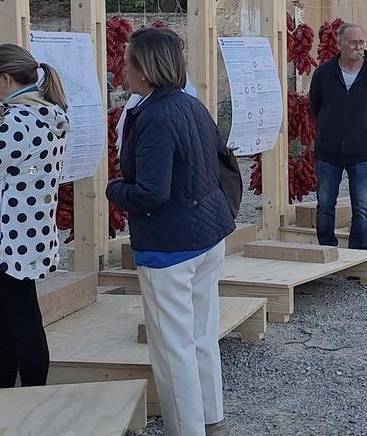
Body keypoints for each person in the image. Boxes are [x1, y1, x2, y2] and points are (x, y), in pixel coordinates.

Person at [106, 27, 235, 436]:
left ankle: (187, 429)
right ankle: (210, 417)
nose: (122, 68)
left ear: (145, 69)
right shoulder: (189, 105)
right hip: (206, 233)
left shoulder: (155, 116)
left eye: (128, 61)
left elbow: (151, 192)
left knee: (171, 346)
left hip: (170, 245)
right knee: (199, 335)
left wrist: (114, 189)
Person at [0, 43, 70, 388]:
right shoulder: (45, 112)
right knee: (0, 313)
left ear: (6, 79)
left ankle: (30, 393)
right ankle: (5, 384)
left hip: (11, 237)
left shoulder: (19, 120)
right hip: (25, 231)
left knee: (21, 317)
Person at [307, 22, 367, 249]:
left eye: (362, 42)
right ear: (340, 43)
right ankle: (327, 250)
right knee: (325, 205)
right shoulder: (324, 74)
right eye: (353, 42)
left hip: (362, 152)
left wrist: (364, 134)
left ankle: (358, 255)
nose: (359, 47)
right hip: (328, 152)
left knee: (362, 206)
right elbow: (315, 105)